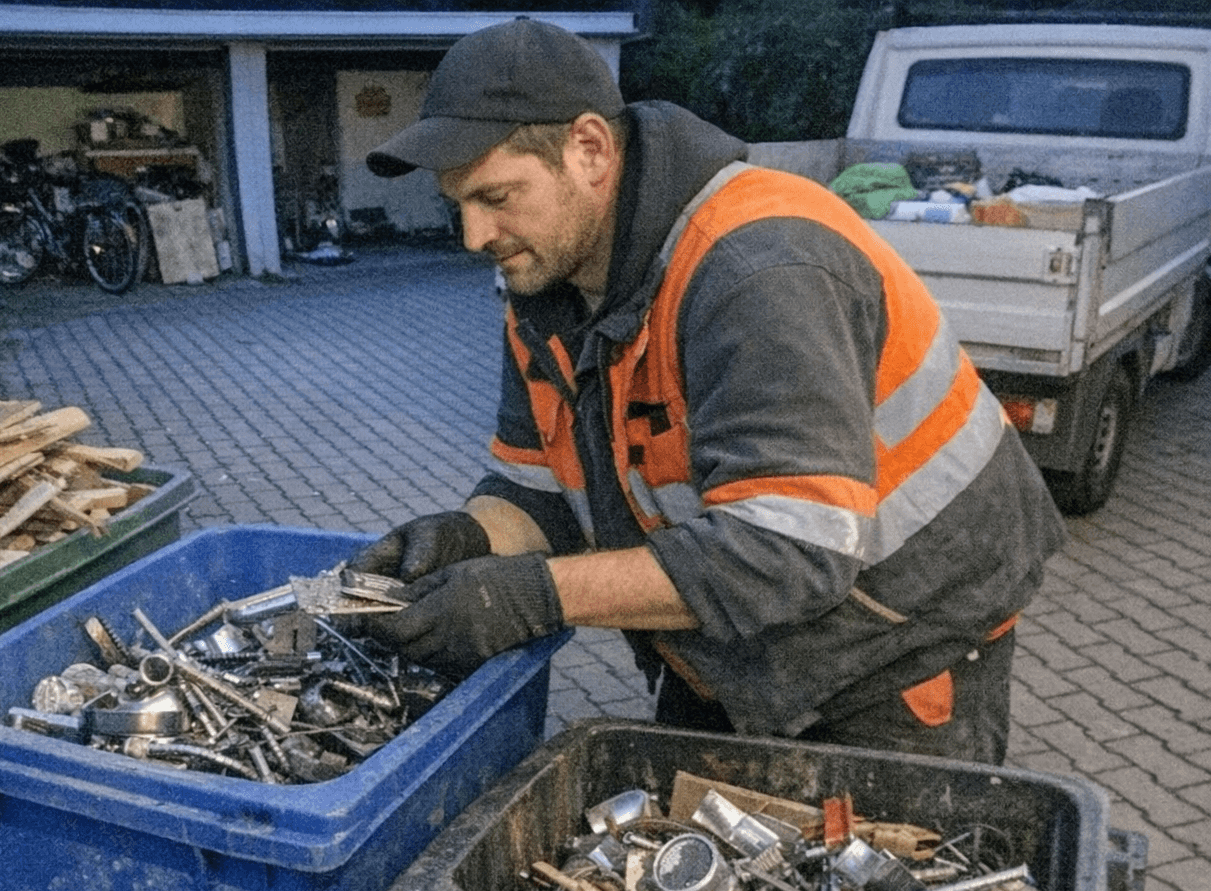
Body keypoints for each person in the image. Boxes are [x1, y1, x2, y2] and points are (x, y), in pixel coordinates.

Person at [352, 18, 1066, 764]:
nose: (474, 236)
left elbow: (789, 550)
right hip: (734, 644)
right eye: (457, 204)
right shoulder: (546, 287)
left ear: (589, 150)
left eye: (496, 196)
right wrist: (468, 538)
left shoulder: (759, 269)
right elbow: (537, 491)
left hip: (893, 661)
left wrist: (530, 596)